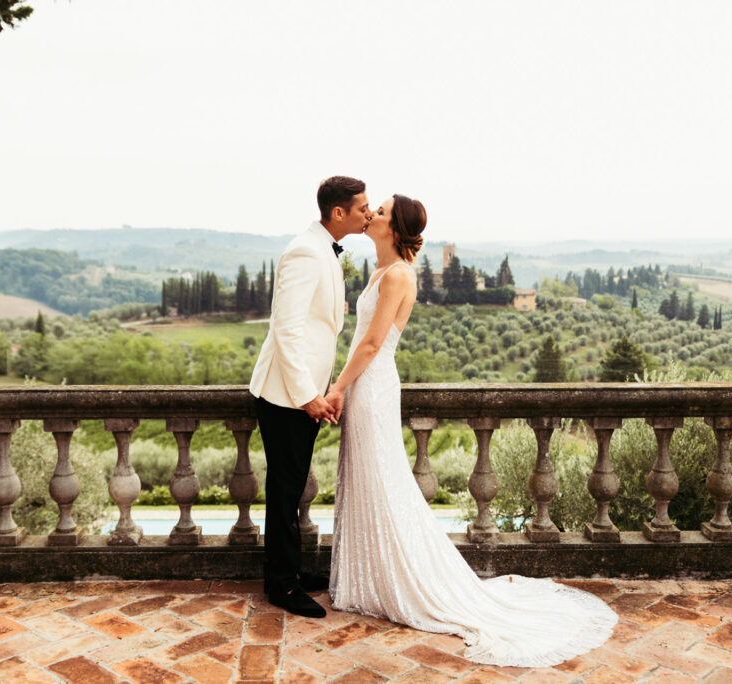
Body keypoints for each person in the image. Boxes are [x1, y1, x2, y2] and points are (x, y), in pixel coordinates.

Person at [324, 194, 618, 667]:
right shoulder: (380, 271)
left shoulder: (398, 274)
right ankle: (373, 577)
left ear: (395, 229)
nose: (371, 214)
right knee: (368, 480)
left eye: (380, 211)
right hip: (364, 386)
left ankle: (406, 582)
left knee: (383, 479)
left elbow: (375, 341)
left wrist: (337, 387)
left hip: (372, 388)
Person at [249, 175, 372, 618]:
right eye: (362, 208)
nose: (369, 213)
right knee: (285, 490)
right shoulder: (305, 250)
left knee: (293, 485)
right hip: (285, 396)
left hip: (303, 392)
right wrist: (307, 396)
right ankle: (281, 586)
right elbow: (286, 328)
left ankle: (292, 572)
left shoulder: (323, 247)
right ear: (338, 212)